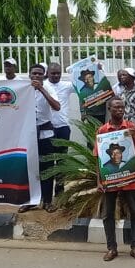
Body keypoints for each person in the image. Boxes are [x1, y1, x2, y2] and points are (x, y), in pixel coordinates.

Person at [96, 97, 135, 262]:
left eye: (122, 107)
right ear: (109, 109)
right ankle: (112, 248)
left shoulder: (132, 127)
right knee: (108, 215)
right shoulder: (102, 131)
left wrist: (133, 137)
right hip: (110, 179)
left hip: (130, 178)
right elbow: (99, 159)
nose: (120, 110)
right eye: (116, 107)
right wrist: (99, 181)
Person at [19, 64, 61, 213]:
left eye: (39, 74)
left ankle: (48, 201)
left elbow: (57, 106)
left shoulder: (49, 89)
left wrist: (42, 89)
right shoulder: (22, 90)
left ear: (44, 76)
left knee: (47, 168)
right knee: (29, 169)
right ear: (29, 75)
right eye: (34, 74)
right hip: (28, 135)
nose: (36, 76)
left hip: (45, 133)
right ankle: (31, 201)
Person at [46, 63, 76, 195]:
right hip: (47, 128)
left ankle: (59, 191)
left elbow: (85, 86)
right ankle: (45, 192)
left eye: (58, 73)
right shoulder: (43, 86)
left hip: (63, 127)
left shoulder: (66, 86)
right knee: (47, 160)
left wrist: (96, 70)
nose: (56, 75)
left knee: (62, 160)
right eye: (53, 73)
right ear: (47, 73)